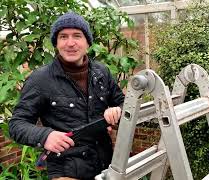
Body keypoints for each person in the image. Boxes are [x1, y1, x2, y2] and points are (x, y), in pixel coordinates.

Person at [9, 12, 124, 180]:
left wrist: (117, 111)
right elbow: (16, 124)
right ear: (56, 43)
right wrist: (45, 136)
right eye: (63, 37)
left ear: (87, 42)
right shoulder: (40, 79)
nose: (70, 43)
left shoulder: (102, 73)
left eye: (77, 36)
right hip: (66, 169)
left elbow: (126, 104)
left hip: (105, 164)